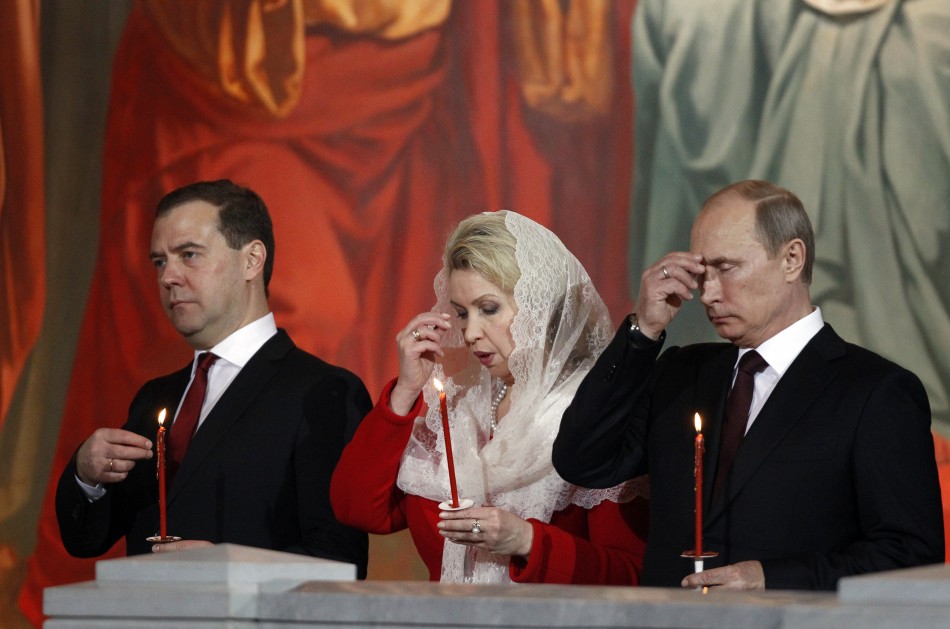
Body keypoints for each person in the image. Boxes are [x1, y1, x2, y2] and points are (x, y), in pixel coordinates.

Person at [554, 180, 944, 591]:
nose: (708, 294)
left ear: (792, 259)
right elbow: (582, 459)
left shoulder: (876, 392)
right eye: (702, 274)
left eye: (726, 269)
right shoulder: (680, 374)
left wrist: (772, 578)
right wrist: (642, 332)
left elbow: (911, 555)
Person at [54, 180, 371, 577]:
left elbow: (341, 561)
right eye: (159, 261)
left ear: (252, 260)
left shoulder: (324, 392)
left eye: (189, 255)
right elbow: (85, 540)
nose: (168, 276)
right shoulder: (153, 398)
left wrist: (230, 568)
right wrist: (85, 475)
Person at [330, 211, 648, 584]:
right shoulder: (459, 412)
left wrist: (527, 541)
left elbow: (633, 576)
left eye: (489, 309)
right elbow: (359, 510)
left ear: (539, 306)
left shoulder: (596, 416)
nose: (470, 333)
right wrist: (405, 391)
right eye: (462, 313)